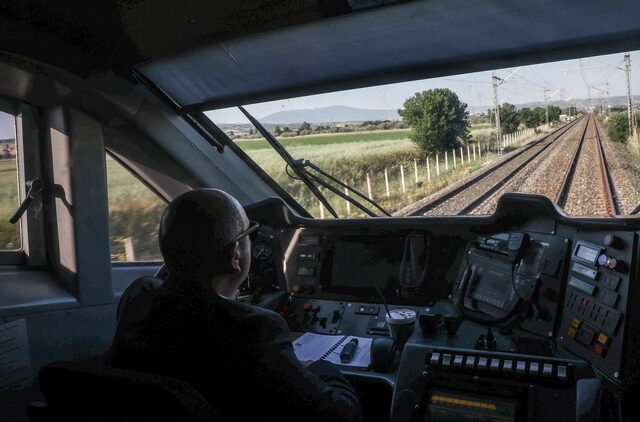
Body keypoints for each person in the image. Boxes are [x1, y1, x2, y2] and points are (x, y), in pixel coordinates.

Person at [109, 189, 362, 422]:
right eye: (249, 235)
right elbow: (342, 415)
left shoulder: (139, 297)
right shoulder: (255, 330)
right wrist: (319, 366)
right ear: (234, 256)